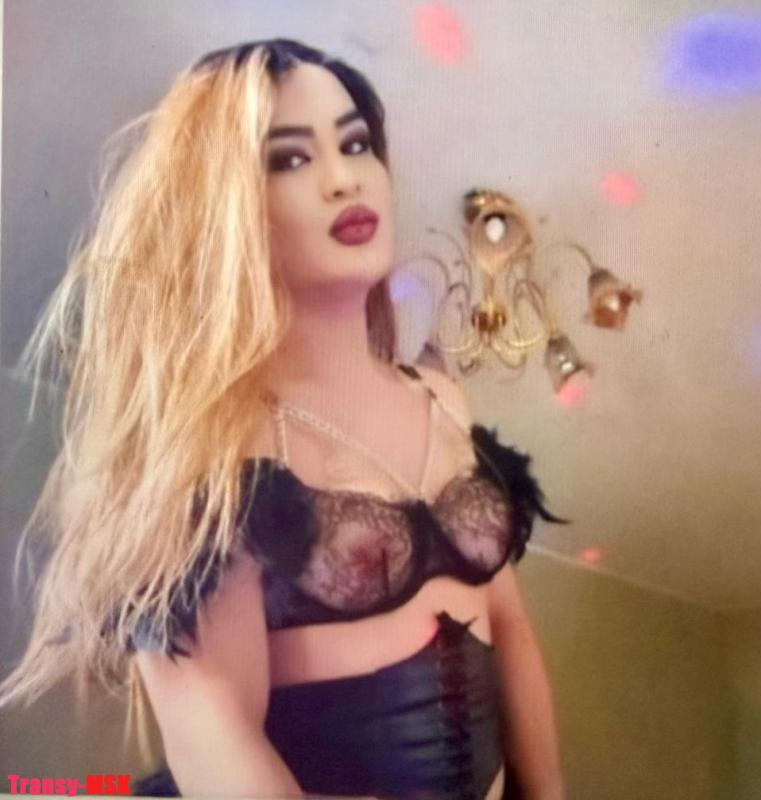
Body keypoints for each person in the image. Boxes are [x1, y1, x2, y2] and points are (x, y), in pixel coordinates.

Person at [0, 39, 567, 799]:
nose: (344, 178)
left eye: (355, 144)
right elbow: (215, 735)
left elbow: (511, 626)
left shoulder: (443, 399)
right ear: (227, 204)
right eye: (290, 159)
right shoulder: (210, 450)